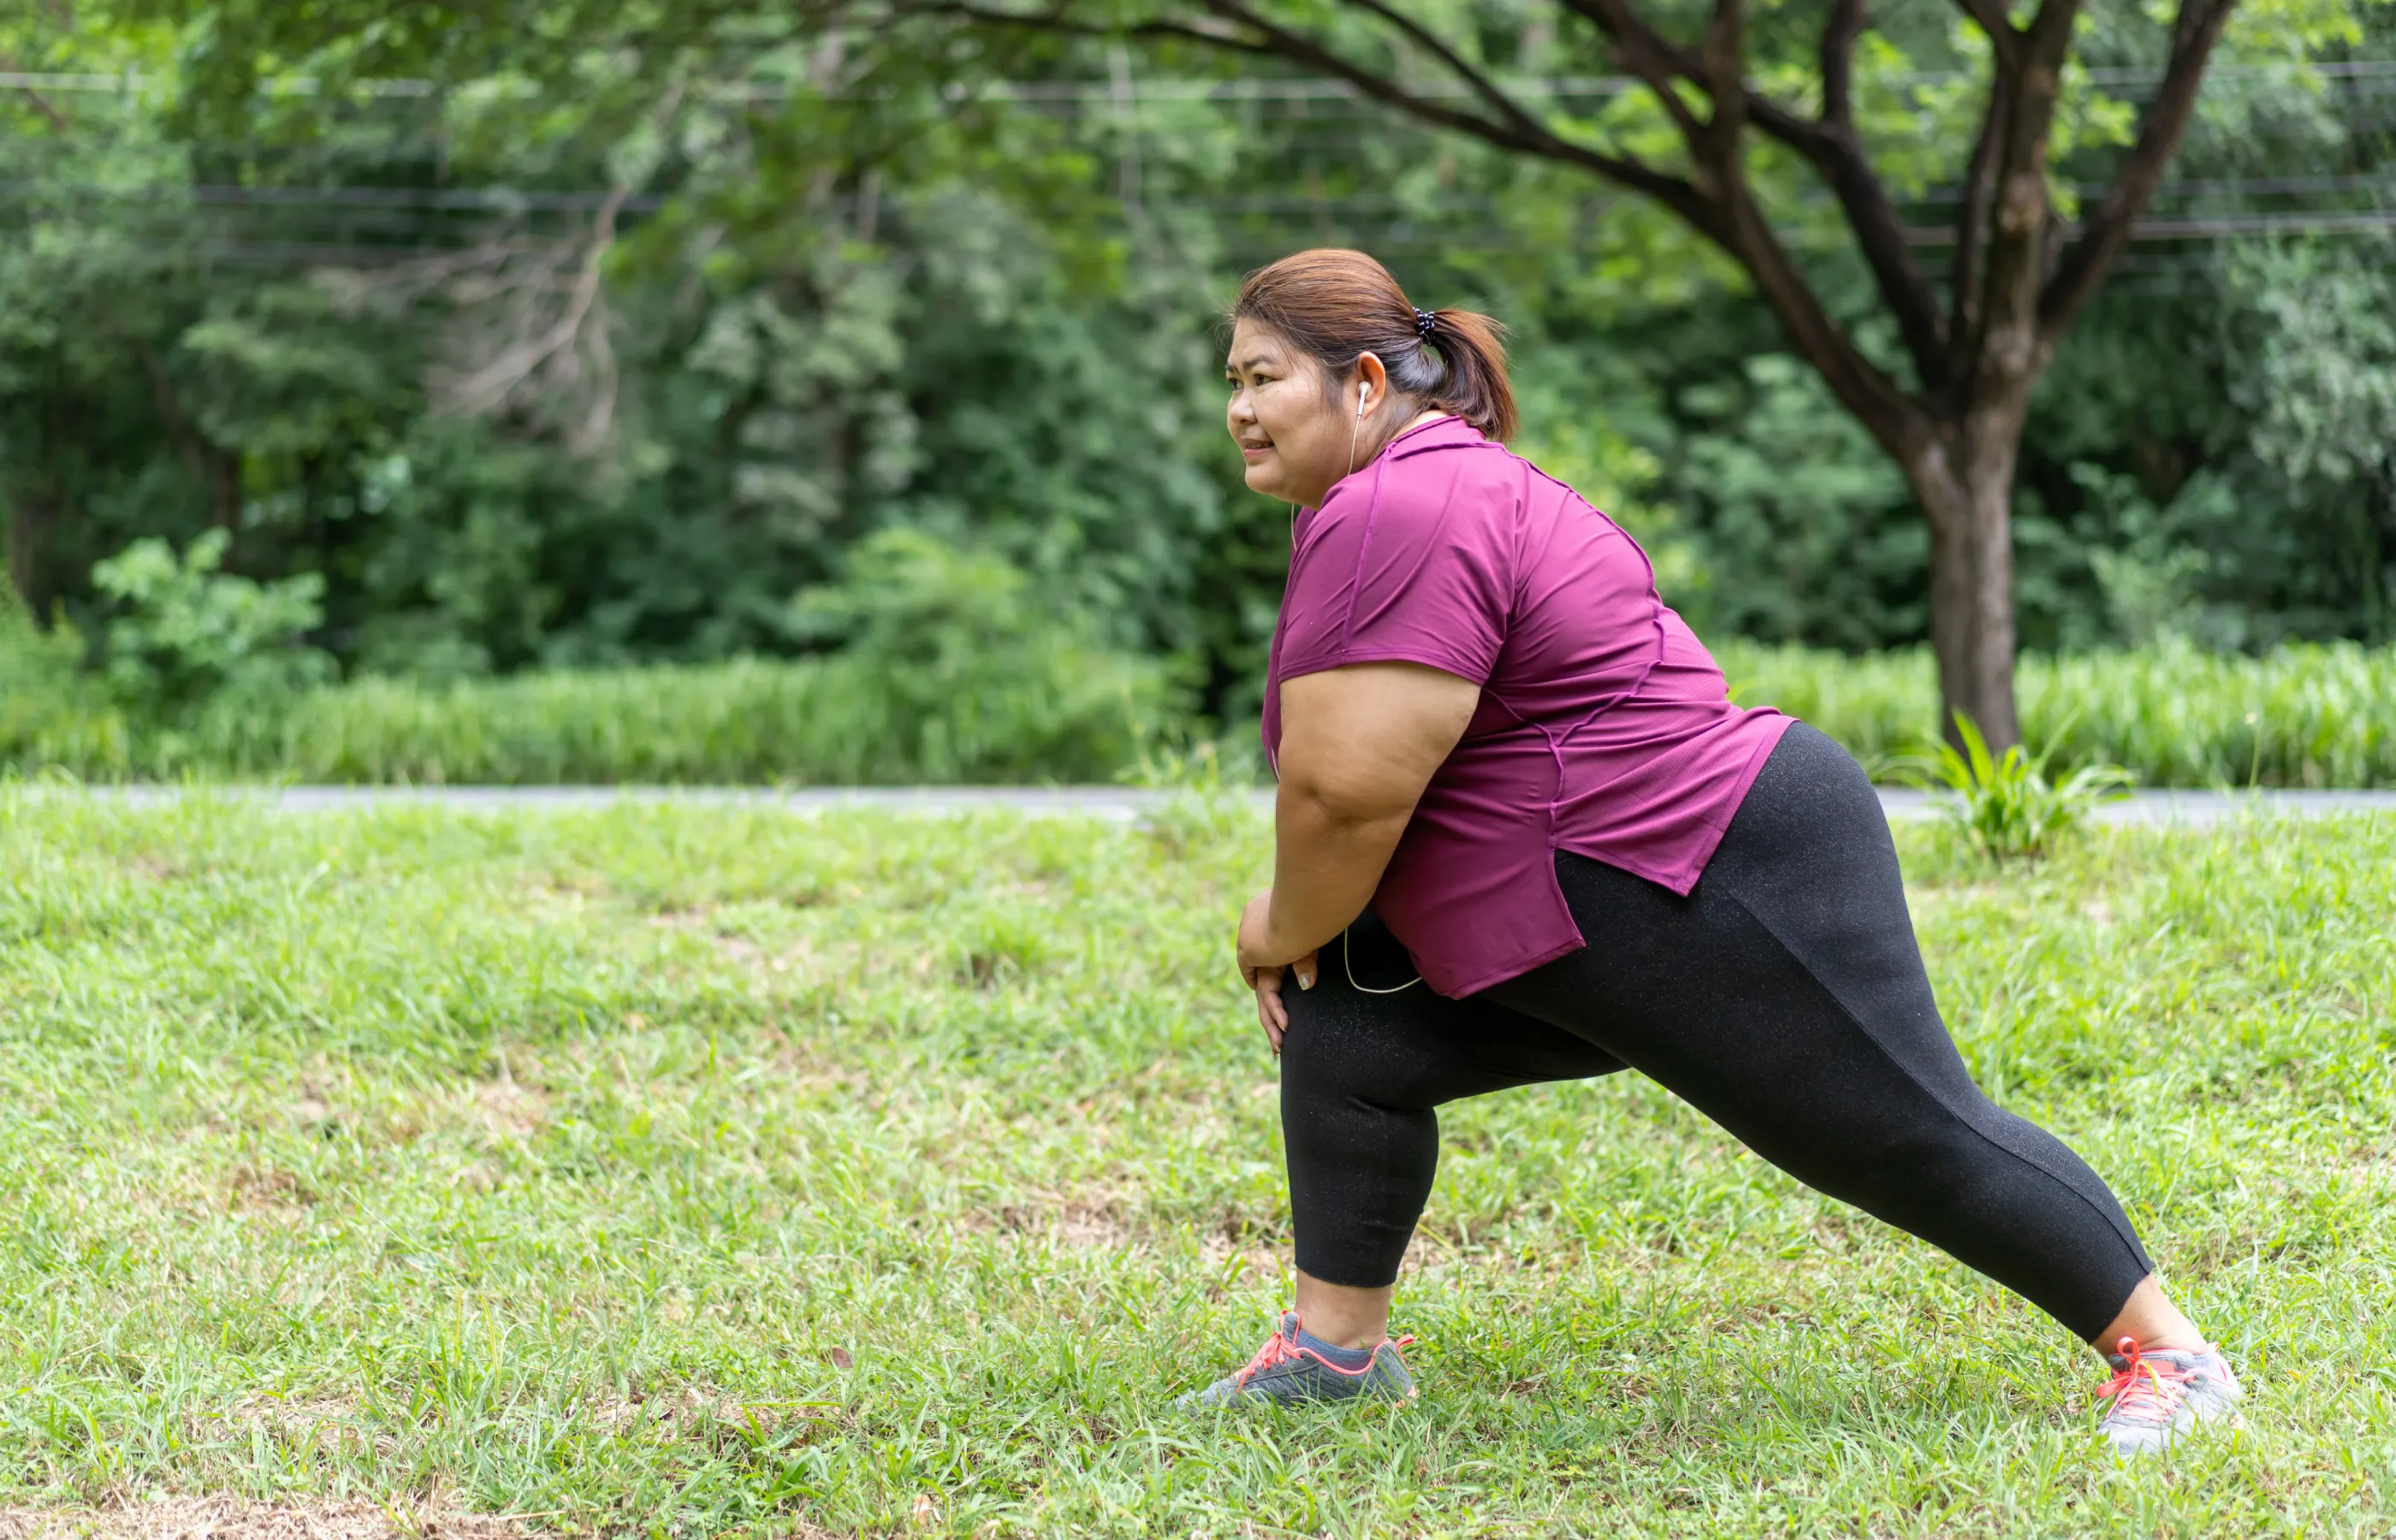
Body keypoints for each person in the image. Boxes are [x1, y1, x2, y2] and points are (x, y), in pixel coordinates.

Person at [1181, 248, 2242, 1455]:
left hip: (1711, 863)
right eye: (1232, 378)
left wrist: (1276, 925)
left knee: (1902, 1131)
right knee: (1356, 1021)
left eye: (1263, 377)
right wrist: (1315, 939)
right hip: (1574, 899)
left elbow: (1346, 797)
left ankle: (2173, 1355)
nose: (1238, 409)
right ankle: (1335, 1354)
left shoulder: (1401, 503)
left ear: (1364, 383)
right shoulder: (1403, 496)